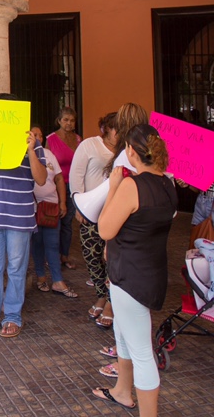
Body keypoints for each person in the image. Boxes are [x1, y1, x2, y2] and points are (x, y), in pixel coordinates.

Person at [92, 123, 177, 415]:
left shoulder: (132, 186)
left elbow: (104, 229)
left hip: (130, 277)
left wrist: (114, 187)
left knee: (141, 351)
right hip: (150, 273)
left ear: (131, 151)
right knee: (124, 335)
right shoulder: (167, 184)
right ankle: (122, 391)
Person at [0, 93, 47, 338]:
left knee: (16, 268)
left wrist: (31, 151)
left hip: (20, 218)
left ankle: (12, 316)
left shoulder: (34, 145)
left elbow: (42, 179)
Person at [69, 112, 118, 326]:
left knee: (113, 259)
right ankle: (101, 292)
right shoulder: (89, 145)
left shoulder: (126, 150)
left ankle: (110, 301)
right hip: (91, 210)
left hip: (116, 212)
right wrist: (77, 201)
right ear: (106, 129)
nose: (120, 134)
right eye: (117, 129)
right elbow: (75, 175)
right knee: (92, 255)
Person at [30, 126, 77, 298]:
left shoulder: (49, 155)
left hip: (51, 206)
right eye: (34, 134)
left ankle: (57, 280)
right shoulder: (24, 154)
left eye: (40, 135)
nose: (38, 138)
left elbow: (58, 178)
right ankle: (41, 277)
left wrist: (63, 202)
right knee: (37, 243)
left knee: (53, 243)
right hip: (33, 207)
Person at [46, 107, 81, 270]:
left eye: (72, 120)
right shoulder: (51, 139)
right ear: (59, 121)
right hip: (55, 185)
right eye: (65, 119)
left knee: (68, 223)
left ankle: (64, 255)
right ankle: (52, 257)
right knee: (55, 221)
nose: (69, 123)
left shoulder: (79, 139)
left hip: (72, 186)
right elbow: (46, 165)